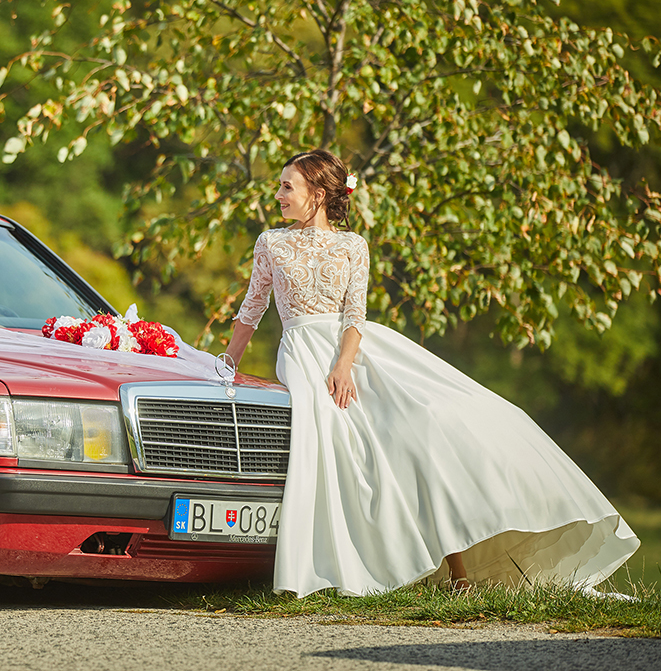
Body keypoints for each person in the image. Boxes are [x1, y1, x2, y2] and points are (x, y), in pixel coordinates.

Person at [223, 149, 639, 597]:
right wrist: (227, 363)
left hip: (355, 353)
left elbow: (355, 314)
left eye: (287, 186)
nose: (278, 194)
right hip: (303, 354)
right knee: (337, 439)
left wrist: (343, 365)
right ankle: (359, 561)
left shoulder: (353, 245)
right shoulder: (271, 243)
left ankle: (460, 573)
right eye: (281, 185)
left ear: (318, 195)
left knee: (426, 422)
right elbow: (252, 308)